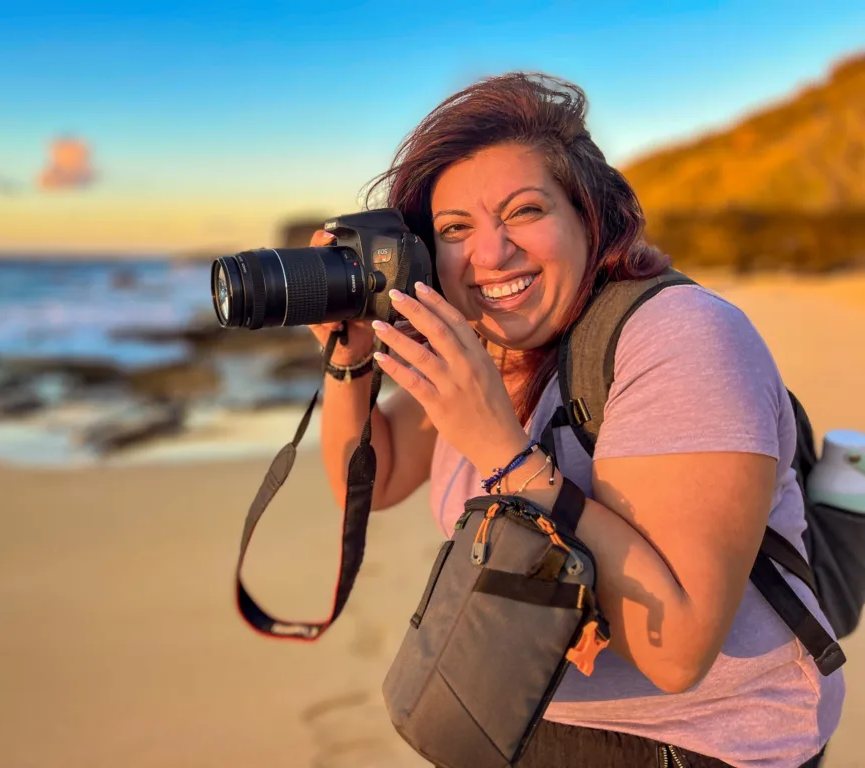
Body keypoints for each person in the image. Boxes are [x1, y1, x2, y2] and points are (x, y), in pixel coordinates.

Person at [306, 73, 843, 767]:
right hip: (525, 724)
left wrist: (502, 452)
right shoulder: (487, 349)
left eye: (524, 211)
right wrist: (349, 358)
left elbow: (675, 652)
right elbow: (370, 482)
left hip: (695, 744)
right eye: (455, 229)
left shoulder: (680, 338)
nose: (490, 253)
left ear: (590, 217)